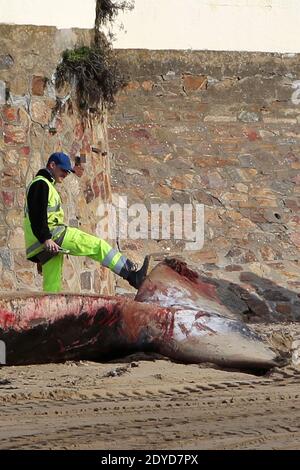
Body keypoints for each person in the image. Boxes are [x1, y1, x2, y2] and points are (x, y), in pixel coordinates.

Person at [23, 152, 149, 293]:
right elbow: (37, 214)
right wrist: (45, 239)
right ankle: (132, 275)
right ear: (52, 165)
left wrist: (43, 243)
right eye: (63, 170)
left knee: (52, 286)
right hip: (53, 236)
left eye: (68, 172)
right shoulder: (41, 184)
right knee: (98, 246)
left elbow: (36, 215)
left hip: (41, 244)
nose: (66, 174)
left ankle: (49, 313)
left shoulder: (42, 184)